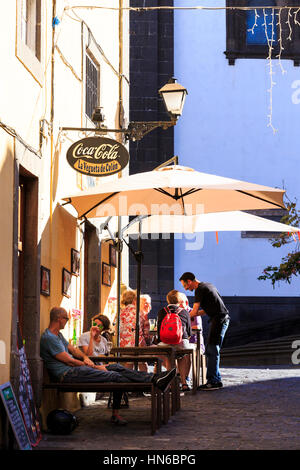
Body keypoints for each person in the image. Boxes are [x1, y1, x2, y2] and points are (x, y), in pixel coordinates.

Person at [40, 307, 176, 426]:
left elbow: (74, 351)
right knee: (115, 376)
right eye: (66, 318)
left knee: (117, 367)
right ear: (59, 319)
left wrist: (85, 358)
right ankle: (153, 380)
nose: (67, 321)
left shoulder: (58, 335)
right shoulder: (49, 338)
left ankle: (153, 378)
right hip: (68, 374)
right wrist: (94, 366)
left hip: (78, 369)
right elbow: (69, 361)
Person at [179, 272, 230, 391]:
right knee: (212, 349)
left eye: (185, 285)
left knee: (212, 350)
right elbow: (208, 310)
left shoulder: (199, 289)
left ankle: (213, 381)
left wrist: (182, 318)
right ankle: (215, 379)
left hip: (219, 320)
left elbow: (195, 310)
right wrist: (190, 315)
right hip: (221, 319)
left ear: (189, 281)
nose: (186, 288)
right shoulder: (208, 286)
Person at [156, 290, 192, 392]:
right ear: (179, 300)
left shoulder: (162, 311)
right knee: (182, 356)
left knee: (168, 357)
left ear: (167, 300)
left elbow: (159, 331)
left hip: (166, 343)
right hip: (181, 343)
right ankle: (184, 383)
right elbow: (189, 332)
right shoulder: (184, 312)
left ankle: (170, 384)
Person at [119, 290, 149, 371]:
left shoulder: (120, 313)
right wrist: (147, 341)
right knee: (142, 363)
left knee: (129, 363)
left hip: (125, 345)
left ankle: (129, 382)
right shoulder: (140, 312)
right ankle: (146, 382)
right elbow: (146, 329)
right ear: (134, 300)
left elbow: (116, 328)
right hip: (139, 343)